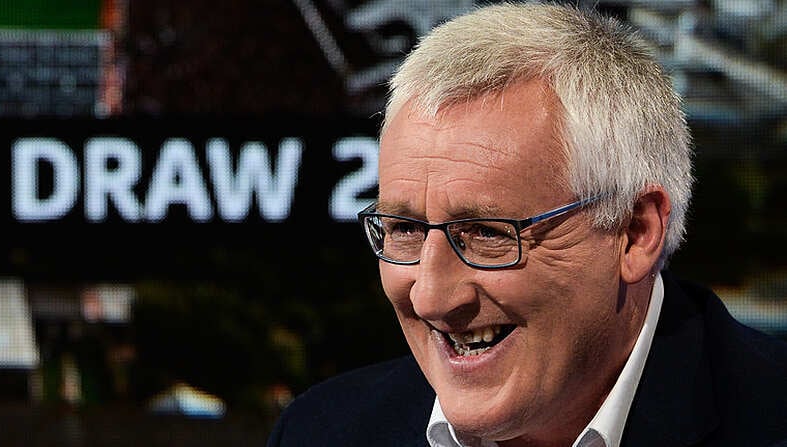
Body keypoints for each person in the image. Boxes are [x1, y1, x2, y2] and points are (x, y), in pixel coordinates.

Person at [267, 3, 787, 446]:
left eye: (488, 233)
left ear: (634, 233)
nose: (430, 297)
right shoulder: (322, 431)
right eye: (404, 228)